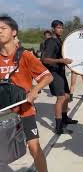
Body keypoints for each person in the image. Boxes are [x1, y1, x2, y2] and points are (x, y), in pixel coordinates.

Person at [0, 15, 53, 172]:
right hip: (4, 113)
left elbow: (47, 76)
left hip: (25, 111)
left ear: (14, 32)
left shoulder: (25, 55)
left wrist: (35, 89)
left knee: (34, 147)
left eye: (3, 28)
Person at [41, 20, 78, 135]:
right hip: (54, 73)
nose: (60, 29)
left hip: (60, 72)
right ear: (53, 29)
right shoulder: (51, 41)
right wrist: (61, 61)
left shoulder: (59, 40)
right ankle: (58, 127)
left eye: (62, 27)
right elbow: (45, 59)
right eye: (58, 27)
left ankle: (65, 118)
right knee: (61, 98)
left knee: (67, 96)